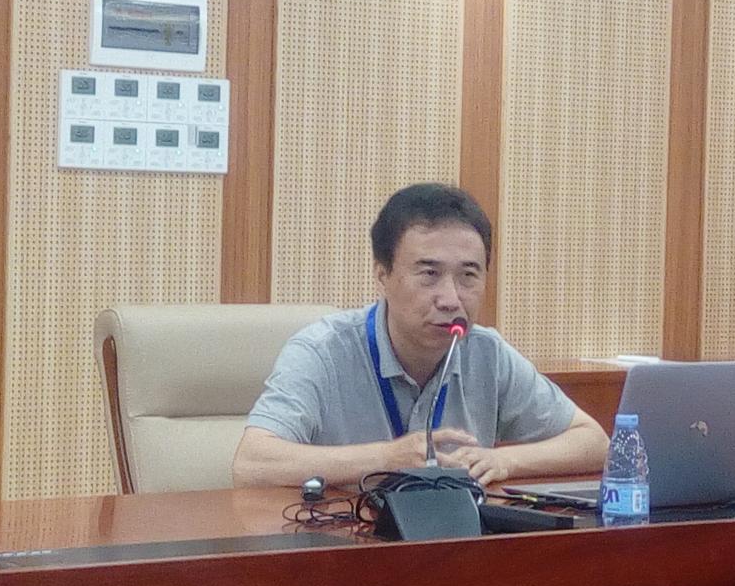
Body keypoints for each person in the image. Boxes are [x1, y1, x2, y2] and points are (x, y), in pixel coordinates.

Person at [232, 183, 608, 487]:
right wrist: (385, 458)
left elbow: (594, 442)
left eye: (468, 276)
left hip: (453, 541)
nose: (451, 299)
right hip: (345, 545)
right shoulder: (322, 351)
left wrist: (504, 460)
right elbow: (252, 464)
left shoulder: (486, 353)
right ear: (383, 275)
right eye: (429, 274)